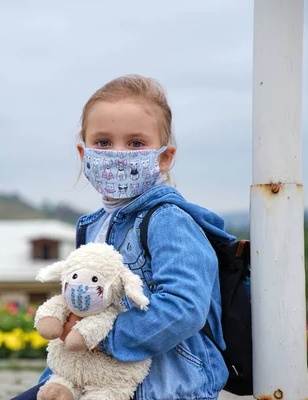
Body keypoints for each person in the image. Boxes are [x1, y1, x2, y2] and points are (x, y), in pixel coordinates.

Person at [13, 74, 235, 400]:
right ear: (84, 153)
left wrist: (103, 336)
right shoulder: (93, 225)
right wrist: (60, 377)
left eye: (135, 144)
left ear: (164, 157)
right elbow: (80, 312)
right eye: (103, 142)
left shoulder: (169, 222)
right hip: (90, 380)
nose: (119, 154)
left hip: (162, 387)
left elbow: (184, 307)